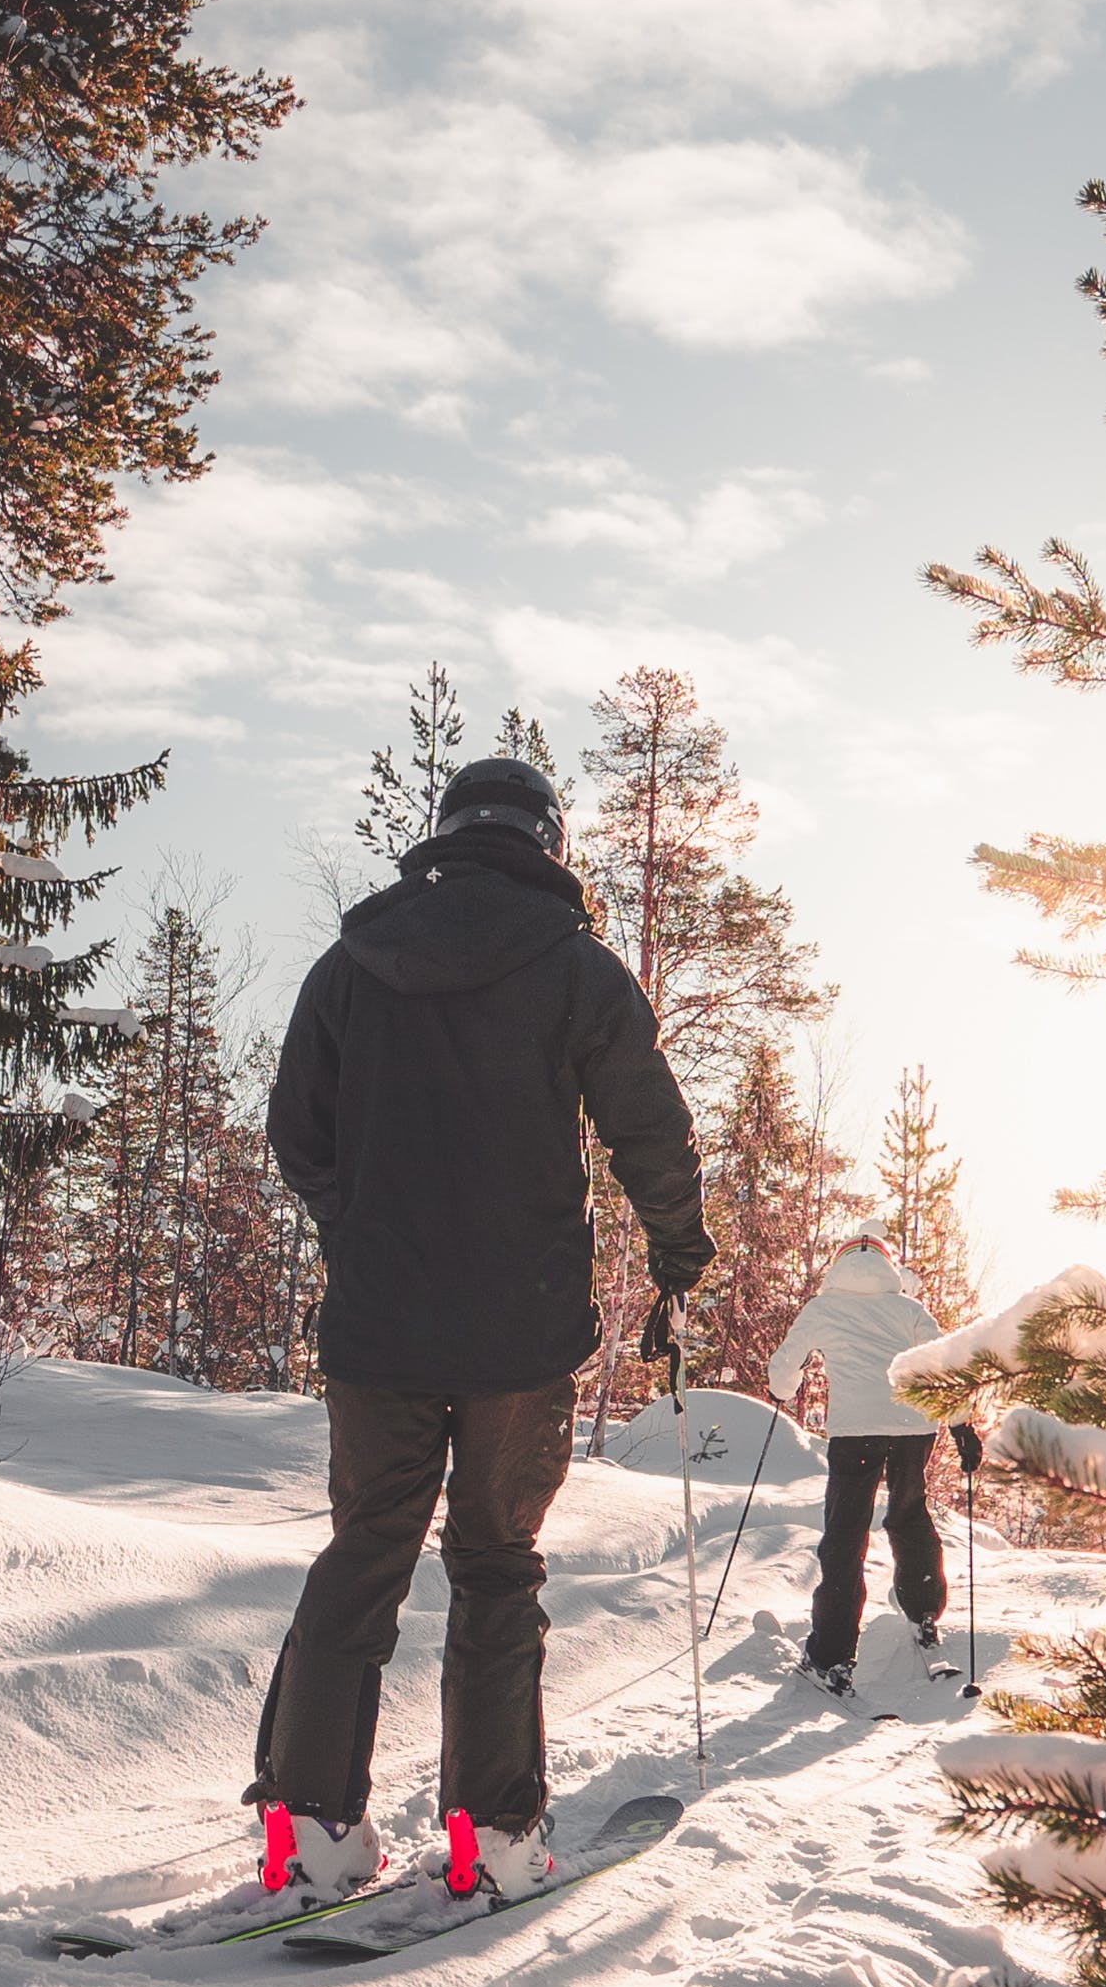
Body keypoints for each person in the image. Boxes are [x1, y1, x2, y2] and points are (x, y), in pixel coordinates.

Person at [255, 751, 713, 1911]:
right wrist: (676, 1256)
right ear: (547, 843)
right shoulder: (574, 970)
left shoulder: (352, 964)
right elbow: (649, 1128)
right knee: (497, 1567)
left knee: (364, 1553)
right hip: (518, 1339)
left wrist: (355, 1221)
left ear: (447, 832)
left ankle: (305, 1827)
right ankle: (492, 1836)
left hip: (378, 1332)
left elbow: (295, 1129)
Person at [766, 1233, 950, 1696]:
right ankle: (925, 1615)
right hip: (914, 1428)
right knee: (909, 1514)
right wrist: (964, 1426)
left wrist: (782, 1388)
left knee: (846, 1535)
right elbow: (946, 1364)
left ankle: (830, 1655)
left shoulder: (823, 1308)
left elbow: (784, 1373)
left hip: (856, 1433)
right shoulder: (909, 1309)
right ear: (888, 1267)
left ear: (838, 1264)